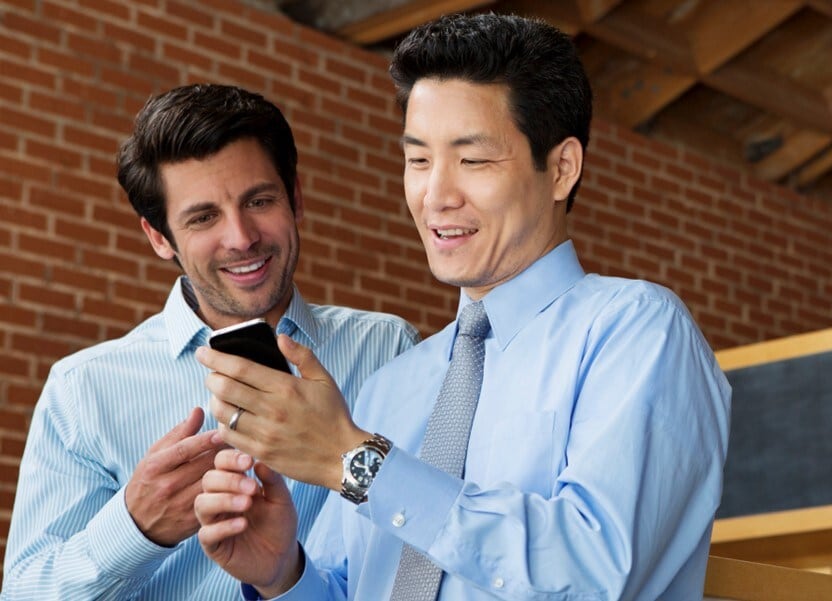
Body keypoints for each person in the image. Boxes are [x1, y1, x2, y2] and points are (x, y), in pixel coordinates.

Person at [194, 13, 731, 600]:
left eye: (472, 161)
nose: (436, 196)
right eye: (419, 160)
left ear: (561, 168)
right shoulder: (389, 388)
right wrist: (282, 576)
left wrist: (356, 462)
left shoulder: (637, 332)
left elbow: (594, 575)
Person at [1, 84, 420, 600]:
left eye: (260, 201)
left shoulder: (388, 349)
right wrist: (136, 527)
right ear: (159, 237)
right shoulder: (82, 390)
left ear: (296, 198)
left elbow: (422, 553)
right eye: (203, 218)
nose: (242, 237)